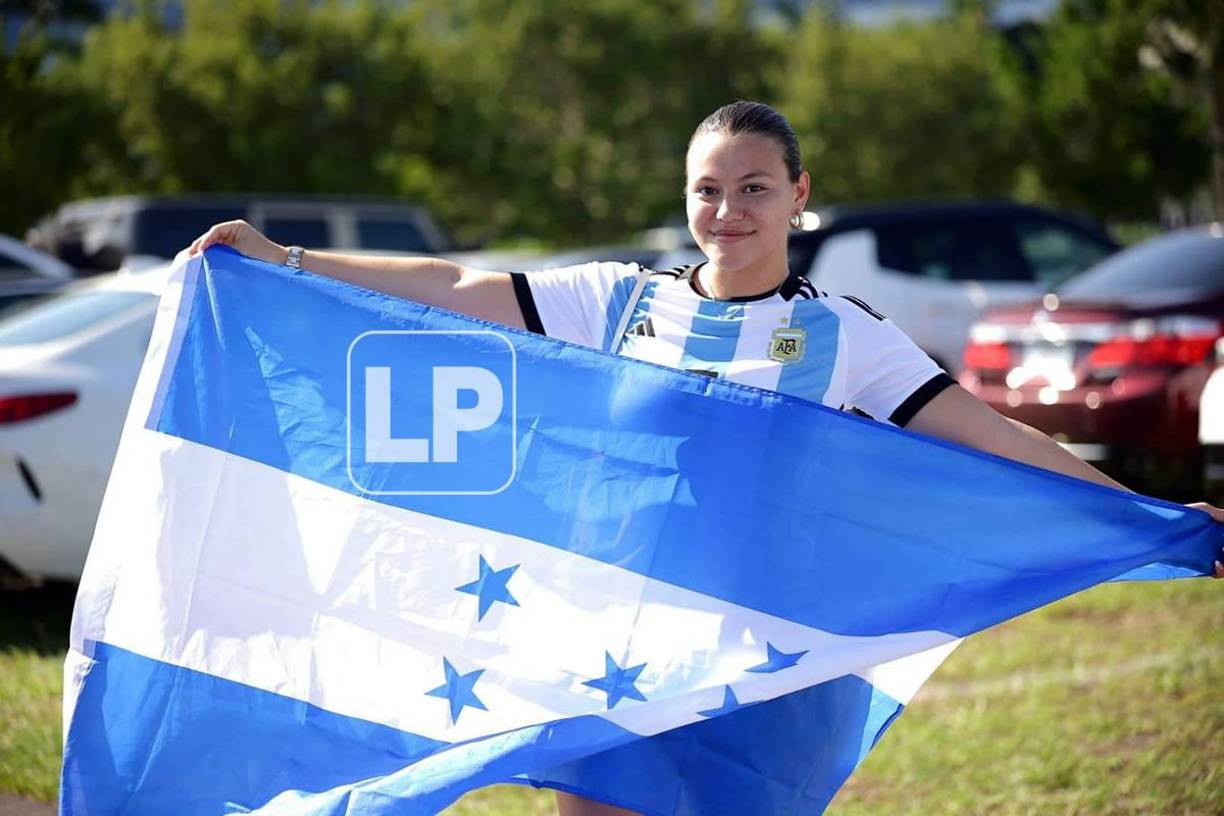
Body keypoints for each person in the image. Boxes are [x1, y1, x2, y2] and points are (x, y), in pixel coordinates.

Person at [190, 101, 1223, 816]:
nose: (727, 212)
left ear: (799, 194)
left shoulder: (849, 338)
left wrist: (1154, 515)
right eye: (707, 189)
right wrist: (284, 259)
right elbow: (457, 287)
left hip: (766, 661)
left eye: (754, 188)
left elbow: (995, 438)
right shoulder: (619, 302)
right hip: (610, 642)